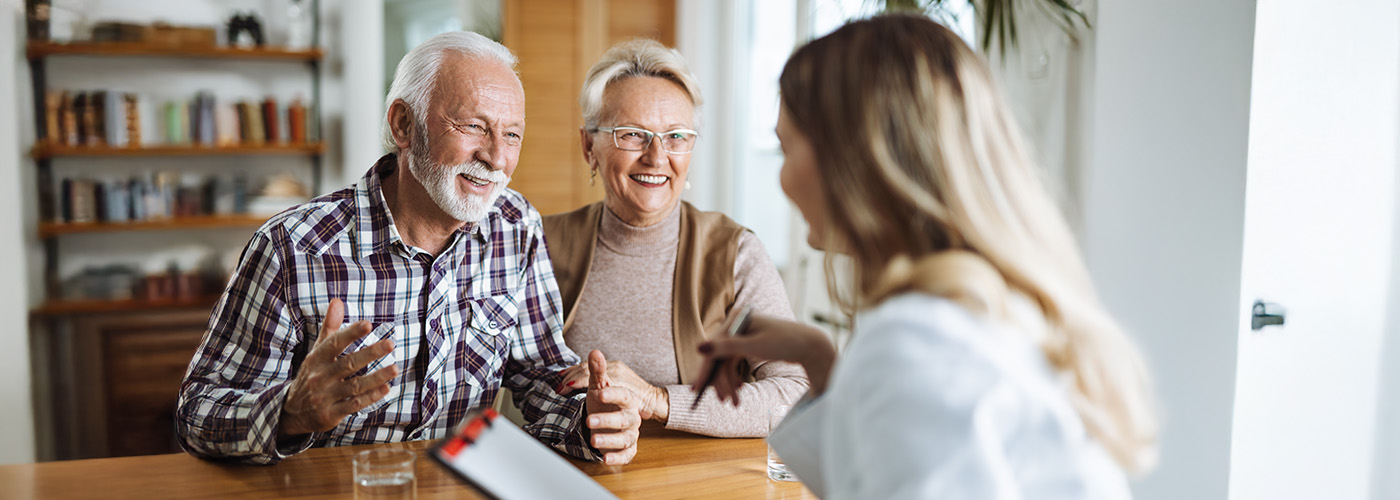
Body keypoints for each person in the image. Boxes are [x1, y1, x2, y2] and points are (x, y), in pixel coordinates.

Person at [695, 15, 1159, 498]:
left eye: (785, 147)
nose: (783, 178)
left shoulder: (918, 343)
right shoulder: (980, 309)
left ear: (853, 158)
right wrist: (821, 360)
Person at [175, 31, 642, 465]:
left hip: (459, 483)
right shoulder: (292, 248)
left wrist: (591, 417)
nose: (497, 158)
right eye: (474, 127)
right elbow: (197, 412)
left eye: (512, 134)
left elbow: (542, 378)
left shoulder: (514, 226)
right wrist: (291, 412)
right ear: (404, 124)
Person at [545, 39, 808, 437]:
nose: (656, 156)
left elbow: (797, 394)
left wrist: (656, 400)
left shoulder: (736, 253)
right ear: (588, 146)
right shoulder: (538, 244)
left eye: (676, 137)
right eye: (632, 134)